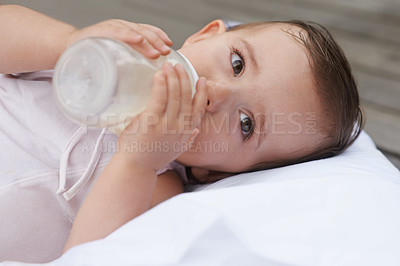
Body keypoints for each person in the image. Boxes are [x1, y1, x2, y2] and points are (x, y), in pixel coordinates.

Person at [0, 4, 363, 263]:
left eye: (245, 124)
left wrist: (136, 162)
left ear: (215, 172)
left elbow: (90, 255)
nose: (214, 93)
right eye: (237, 63)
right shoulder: (95, 59)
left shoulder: (155, 185)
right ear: (204, 36)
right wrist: (66, 41)